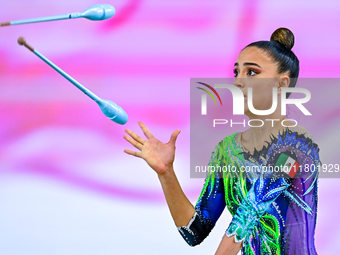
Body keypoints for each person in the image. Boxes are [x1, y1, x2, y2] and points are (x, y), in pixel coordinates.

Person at [123, 27, 321, 255]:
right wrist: (166, 173)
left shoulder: (298, 147)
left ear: (282, 84)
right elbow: (194, 231)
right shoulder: (226, 151)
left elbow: (251, 212)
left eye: (252, 73)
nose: (237, 82)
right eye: (236, 72)